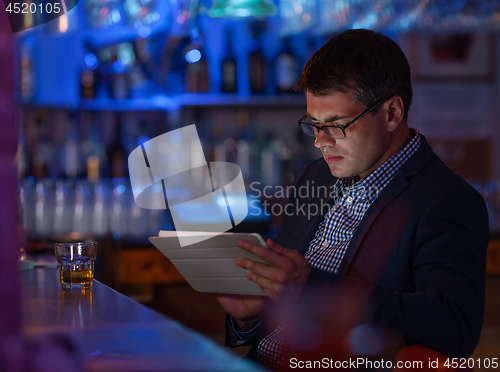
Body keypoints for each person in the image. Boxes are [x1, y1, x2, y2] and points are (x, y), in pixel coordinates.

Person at [215, 29, 489, 369]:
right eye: (313, 124)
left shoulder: (446, 201)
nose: (320, 142)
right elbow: (285, 322)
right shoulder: (315, 176)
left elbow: (454, 327)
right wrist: (249, 320)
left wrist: (312, 288)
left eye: (336, 125)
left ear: (391, 113)